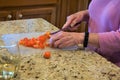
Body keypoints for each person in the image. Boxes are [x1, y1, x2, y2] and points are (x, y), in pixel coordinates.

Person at [49, 0, 120, 67]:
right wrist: (84, 15)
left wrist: (81, 38)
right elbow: (109, 12)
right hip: (95, 56)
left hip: (113, 66)